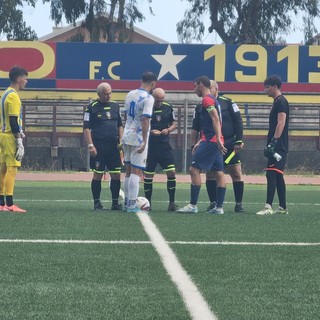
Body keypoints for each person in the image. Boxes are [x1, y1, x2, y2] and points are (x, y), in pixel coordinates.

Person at [191, 80, 245, 213]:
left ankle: (238, 203)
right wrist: (195, 143)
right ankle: (215, 203)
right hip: (212, 142)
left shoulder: (228, 102)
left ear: (216, 89)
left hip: (228, 143)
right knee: (212, 173)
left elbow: (238, 121)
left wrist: (239, 140)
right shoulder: (200, 105)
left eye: (213, 88)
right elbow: (196, 127)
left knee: (235, 172)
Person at [178, 76, 227, 214]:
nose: (194, 90)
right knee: (219, 172)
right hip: (213, 140)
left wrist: (216, 138)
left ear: (201, 85)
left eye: (195, 86)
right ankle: (219, 207)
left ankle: (193, 205)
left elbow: (215, 118)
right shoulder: (214, 100)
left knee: (193, 170)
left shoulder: (207, 100)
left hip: (211, 141)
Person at [83, 82, 123, 210]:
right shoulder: (91, 108)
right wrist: (90, 145)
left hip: (113, 146)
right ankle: (97, 203)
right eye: (106, 94)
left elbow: (120, 125)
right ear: (99, 94)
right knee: (98, 174)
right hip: (98, 146)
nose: (109, 95)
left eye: (110, 93)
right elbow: (86, 128)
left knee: (116, 174)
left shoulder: (116, 106)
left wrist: (121, 141)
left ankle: (115, 203)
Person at [122, 71, 157, 213]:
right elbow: (145, 119)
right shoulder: (148, 98)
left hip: (127, 134)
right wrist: (144, 140)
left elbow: (126, 115)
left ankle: (126, 202)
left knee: (128, 171)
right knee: (137, 171)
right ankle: (131, 205)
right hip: (137, 137)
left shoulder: (130, 94)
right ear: (153, 83)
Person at [256, 75, 289, 215]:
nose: (265, 90)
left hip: (278, 144)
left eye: (267, 87)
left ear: (275, 86)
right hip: (278, 144)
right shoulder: (277, 102)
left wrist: (274, 142)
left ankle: (268, 207)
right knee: (278, 175)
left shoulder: (281, 101)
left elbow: (281, 122)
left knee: (271, 173)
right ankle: (282, 207)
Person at [143, 88, 178, 211]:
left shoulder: (168, 107)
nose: (159, 103)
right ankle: (148, 203)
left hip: (164, 146)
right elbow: (141, 124)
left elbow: (174, 123)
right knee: (148, 175)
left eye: (161, 100)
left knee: (172, 172)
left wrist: (168, 130)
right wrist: (149, 131)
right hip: (150, 147)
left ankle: (172, 203)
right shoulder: (146, 107)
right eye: (157, 100)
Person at [0, 65, 28, 213]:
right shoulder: (13, 96)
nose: (26, 81)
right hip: (10, 136)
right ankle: (10, 204)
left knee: (3, 169)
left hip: (2, 135)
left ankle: (1, 203)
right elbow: (13, 120)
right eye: (25, 78)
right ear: (18, 79)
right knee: (12, 168)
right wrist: (19, 140)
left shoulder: (5, 93)